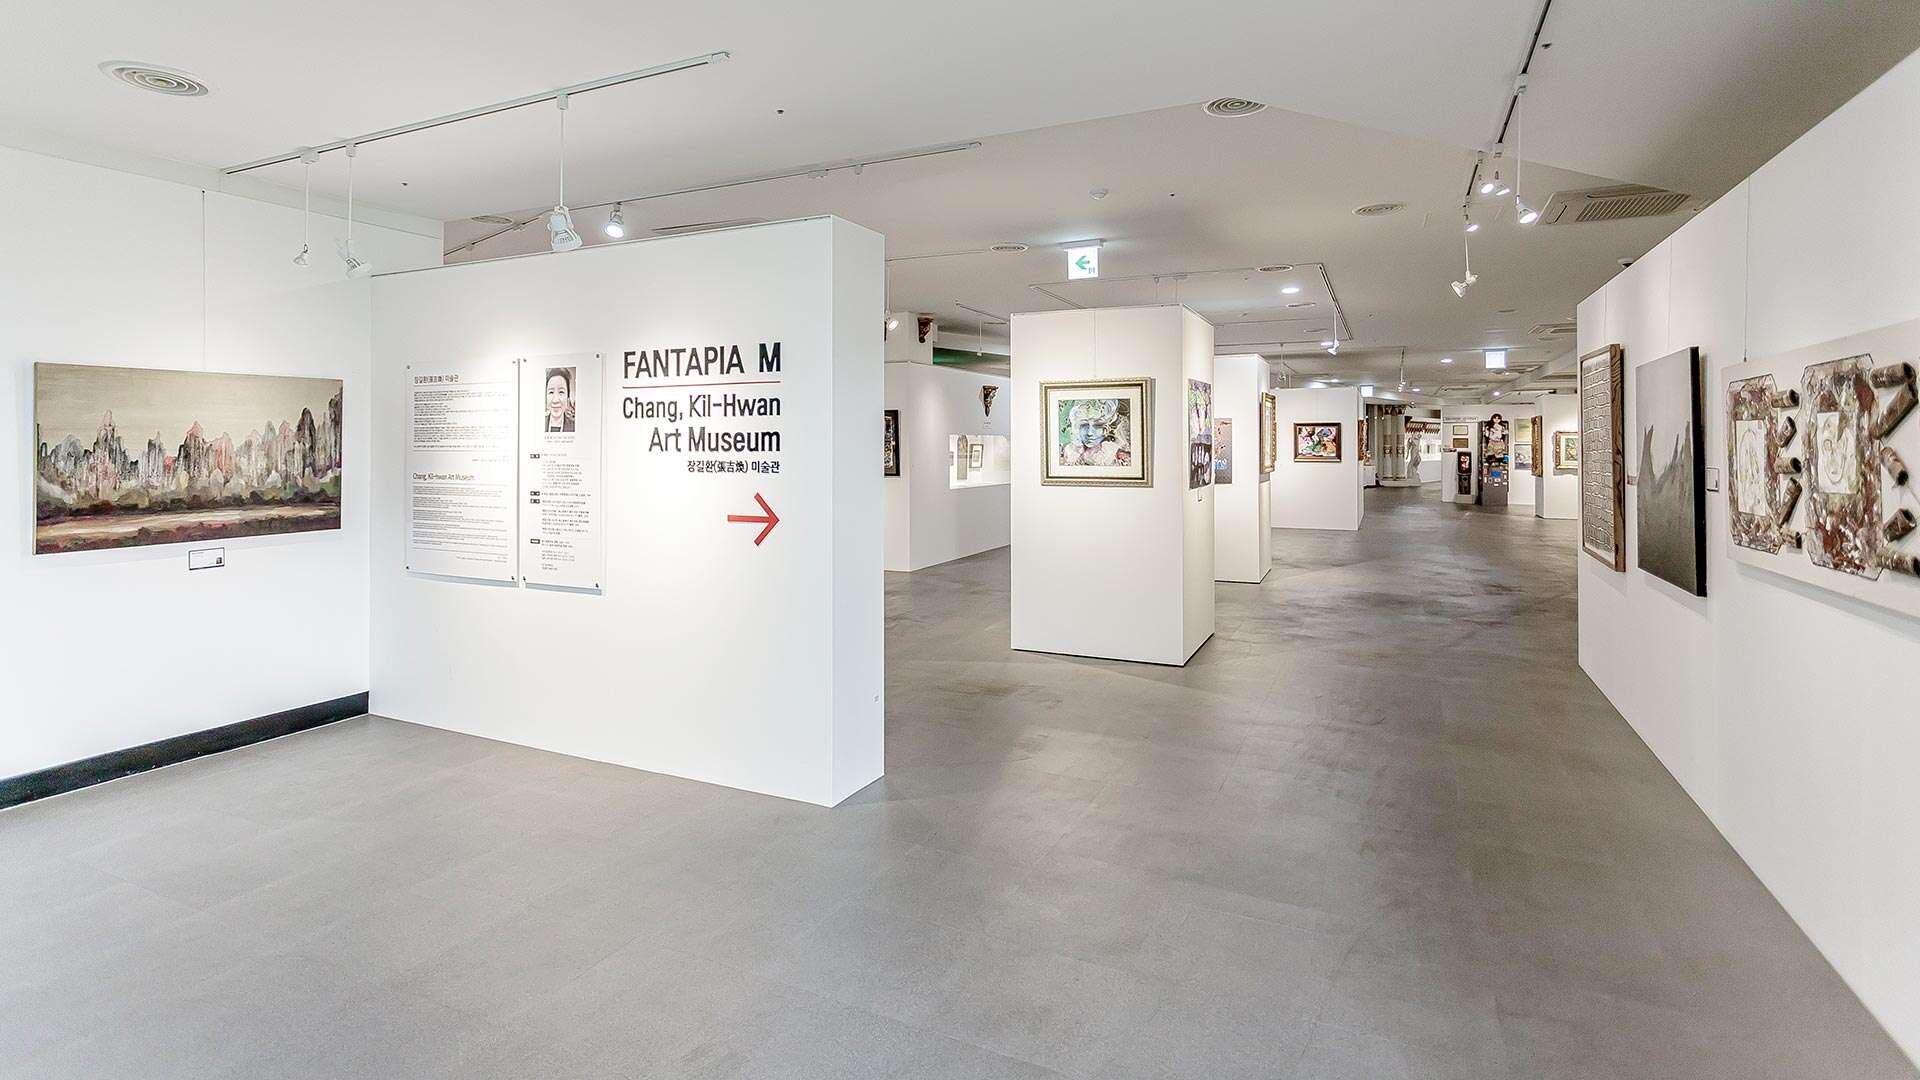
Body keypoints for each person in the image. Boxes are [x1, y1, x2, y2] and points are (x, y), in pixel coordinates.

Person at [544, 368, 576, 433]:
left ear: (568, 397)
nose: (555, 400)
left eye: (561, 392)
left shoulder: (574, 426)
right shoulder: (538, 423)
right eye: (551, 392)